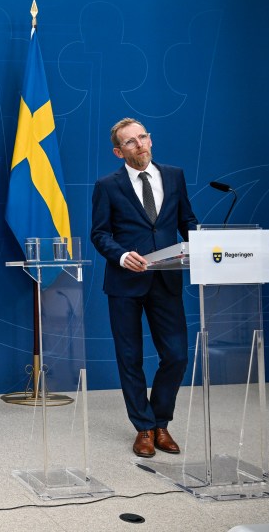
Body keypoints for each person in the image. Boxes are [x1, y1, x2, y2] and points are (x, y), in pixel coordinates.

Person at [90, 117, 197, 458]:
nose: (141, 145)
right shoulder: (107, 185)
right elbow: (100, 234)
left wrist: (206, 247)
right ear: (118, 151)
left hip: (166, 278)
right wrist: (121, 256)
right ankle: (144, 428)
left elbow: (187, 221)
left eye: (143, 137)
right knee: (130, 358)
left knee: (177, 355)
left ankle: (161, 421)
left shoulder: (174, 176)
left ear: (150, 139)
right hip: (125, 283)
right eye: (131, 142)